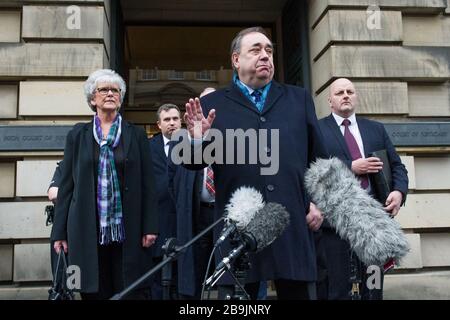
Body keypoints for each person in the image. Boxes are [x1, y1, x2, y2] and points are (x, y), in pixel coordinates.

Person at [181, 27, 328, 300]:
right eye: (256, 50)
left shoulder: (299, 99)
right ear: (236, 60)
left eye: (269, 50)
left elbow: (318, 159)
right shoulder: (212, 103)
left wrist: (318, 203)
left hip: (292, 224)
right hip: (239, 230)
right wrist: (197, 141)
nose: (265, 56)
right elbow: (191, 164)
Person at [51, 69, 158, 300]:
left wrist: (150, 226)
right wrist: (59, 232)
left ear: (120, 98)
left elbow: (148, 183)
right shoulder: (78, 135)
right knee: (91, 289)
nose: (110, 93)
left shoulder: (136, 134)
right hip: (86, 227)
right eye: (103, 90)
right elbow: (67, 185)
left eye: (115, 90)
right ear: (92, 99)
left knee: (128, 289)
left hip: (128, 229)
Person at [316, 78, 409, 300]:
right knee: (337, 290)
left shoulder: (375, 129)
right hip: (335, 225)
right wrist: (350, 167)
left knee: (373, 287)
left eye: (350, 91)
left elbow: (397, 167)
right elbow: (311, 171)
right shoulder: (318, 130)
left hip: (373, 225)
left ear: (356, 97)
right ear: (330, 100)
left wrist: (399, 192)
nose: (345, 95)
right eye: (339, 93)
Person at [167, 88, 217, 299]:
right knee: (196, 271)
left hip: (227, 214)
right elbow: (173, 182)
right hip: (199, 215)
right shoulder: (184, 139)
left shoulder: (234, 135)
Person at [148, 103, 182, 299]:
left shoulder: (192, 145)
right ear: (158, 124)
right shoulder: (147, 146)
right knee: (157, 283)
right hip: (157, 223)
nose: (172, 123)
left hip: (185, 223)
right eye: (167, 120)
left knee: (182, 282)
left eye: (175, 119)